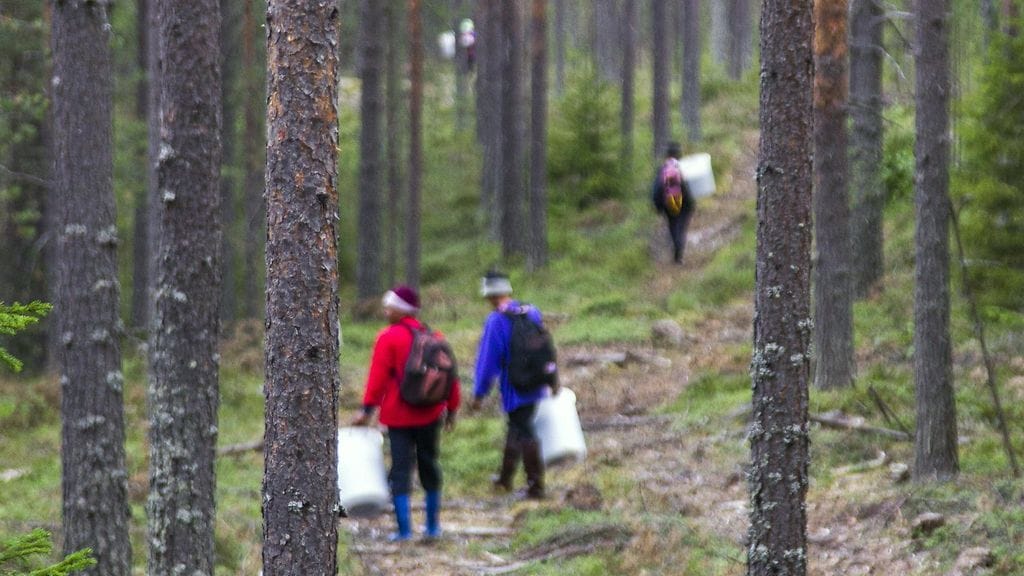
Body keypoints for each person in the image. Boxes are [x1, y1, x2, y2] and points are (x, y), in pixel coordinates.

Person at [352, 285, 460, 541]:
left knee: (400, 470)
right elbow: (450, 377)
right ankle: (433, 527)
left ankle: (404, 531)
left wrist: (366, 411)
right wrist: (452, 409)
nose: (385, 310)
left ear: (401, 309)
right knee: (429, 466)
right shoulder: (434, 336)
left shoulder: (388, 337)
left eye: (389, 305)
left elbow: (377, 380)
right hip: (431, 414)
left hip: (398, 417)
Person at [470, 271, 556, 499]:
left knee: (523, 430)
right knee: (517, 427)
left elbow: (488, 361)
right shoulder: (531, 311)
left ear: (489, 296)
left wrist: (479, 393)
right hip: (538, 382)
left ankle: (535, 487)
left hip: (515, 387)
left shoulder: (496, 320)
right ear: (507, 291)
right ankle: (505, 479)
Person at [651, 141, 696, 264]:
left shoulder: (662, 169)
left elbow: (656, 189)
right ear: (679, 154)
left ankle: (676, 248)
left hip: (668, 203)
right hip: (685, 202)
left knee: (672, 225)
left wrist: (657, 206)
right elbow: (691, 186)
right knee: (681, 227)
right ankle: (679, 253)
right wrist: (691, 203)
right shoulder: (682, 167)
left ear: (667, 155)